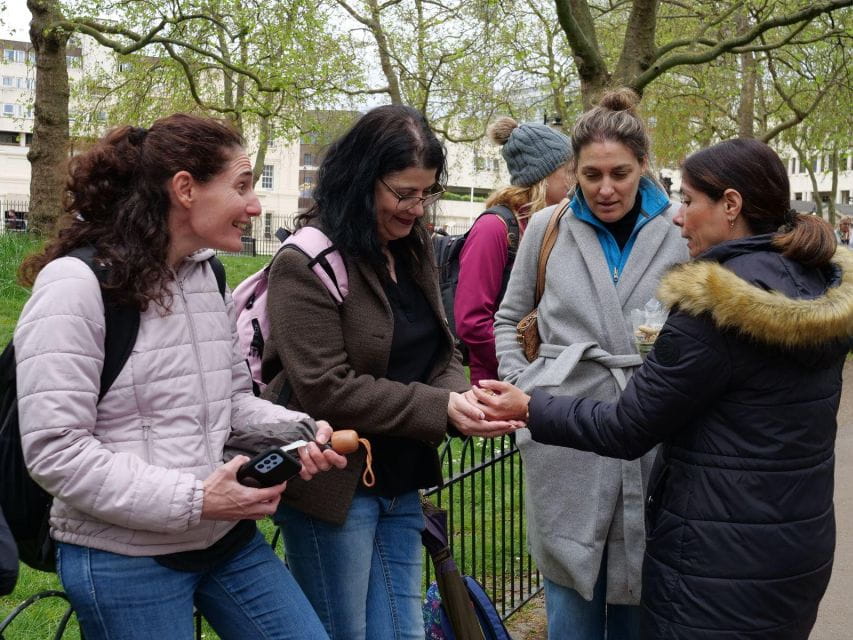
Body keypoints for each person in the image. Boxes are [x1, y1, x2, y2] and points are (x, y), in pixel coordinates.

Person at [470, 138, 852, 639]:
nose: (678, 215)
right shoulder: (814, 288)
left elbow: (628, 427)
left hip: (715, 555)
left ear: (731, 205)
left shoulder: (713, 306)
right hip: (793, 543)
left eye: (690, 201)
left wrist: (530, 406)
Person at [14, 114, 347, 640]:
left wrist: (299, 432)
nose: (255, 205)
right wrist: (197, 499)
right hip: (124, 555)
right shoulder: (74, 286)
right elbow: (56, 450)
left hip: (223, 538)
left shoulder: (205, 275)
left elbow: (230, 399)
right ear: (185, 189)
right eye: (242, 186)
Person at [260, 104, 520, 640]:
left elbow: (441, 350)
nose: (416, 209)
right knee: (343, 632)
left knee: (400, 633)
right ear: (360, 181)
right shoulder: (304, 262)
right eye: (403, 194)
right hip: (334, 488)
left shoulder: (413, 244)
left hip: (400, 479)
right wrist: (439, 407)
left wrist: (460, 399)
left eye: (426, 194)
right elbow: (324, 389)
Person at [491, 88, 688, 640]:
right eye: (591, 173)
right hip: (563, 434)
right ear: (571, 170)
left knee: (639, 610)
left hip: (653, 433)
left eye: (620, 173)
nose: (605, 189)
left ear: (644, 165)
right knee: (570, 616)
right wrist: (520, 381)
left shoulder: (681, 231)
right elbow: (508, 317)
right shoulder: (546, 226)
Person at [454, 117, 573, 385]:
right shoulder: (493, 228)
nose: (576, 178)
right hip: (502, 381)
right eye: (569, 169)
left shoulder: (553, 224)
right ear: (543, 175)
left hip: (541, 378)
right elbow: (471, 320)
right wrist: (518, 369)